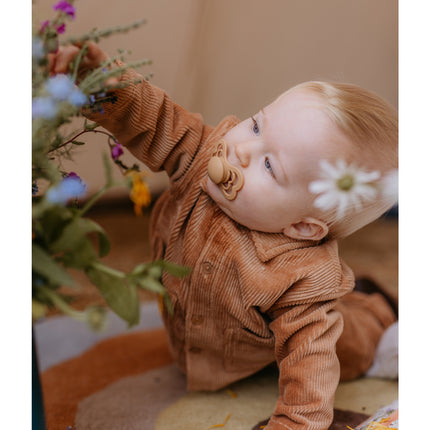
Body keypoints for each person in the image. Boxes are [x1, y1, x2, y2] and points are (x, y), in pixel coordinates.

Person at [49, 43, 398, 430]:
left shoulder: (303, 277)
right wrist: (99, 83)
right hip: (216, 343)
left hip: (283, 345)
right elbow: (156, 120)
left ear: (301, 228)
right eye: (255, 125)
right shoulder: (202, 153)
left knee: (347, 346)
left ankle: (380, 317)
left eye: (269, 164)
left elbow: (310, 370)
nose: (241, 150)